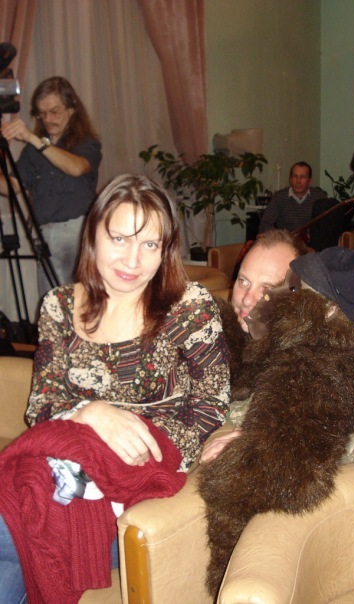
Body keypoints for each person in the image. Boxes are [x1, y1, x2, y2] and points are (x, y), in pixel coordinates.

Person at [0, 174, 230, 603]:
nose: (132, 260)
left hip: (133, 487)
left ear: (166, 249)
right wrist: (90, 413)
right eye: (119, 238)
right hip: (55, 474)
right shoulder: (59, 307)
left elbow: (211, 405)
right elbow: (41, 405)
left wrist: (137, 448)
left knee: (9, 526)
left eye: (150, 244)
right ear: (93, 235)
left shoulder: (188, 307)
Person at [201, 230, 354, 464]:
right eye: (243, 281)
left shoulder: (326, 373)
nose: (247, 298)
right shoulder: (228, 338)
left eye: (267, 288)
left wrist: (268, 445)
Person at [0, 76, 102, 298]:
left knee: (84, 301)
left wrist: (34, 139)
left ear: (72, 108)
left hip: (78, 231)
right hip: (45, 235)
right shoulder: (33, 151)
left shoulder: (86, 142)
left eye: (54, 112)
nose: (48, 119)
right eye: (42, 113)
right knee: (52, 305)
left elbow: (76, 168)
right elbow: (12, 187)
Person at [258, 161, 327, 236]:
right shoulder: (280, 197)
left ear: (310, 181)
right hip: (286, 241)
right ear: (290, 179)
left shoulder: (320, 197)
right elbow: (265, 224)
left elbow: (327, 225)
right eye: (295, 176)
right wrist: (280, 238)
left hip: (312, 241)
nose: (298, 181)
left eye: (302, 177)